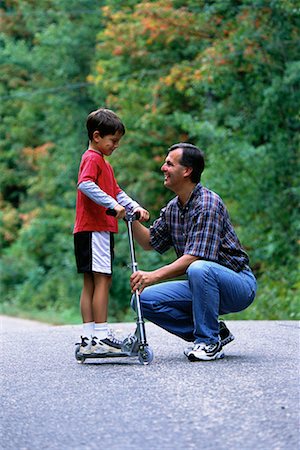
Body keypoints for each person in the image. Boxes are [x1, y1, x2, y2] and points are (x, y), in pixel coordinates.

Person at [130, 142, 257, 361]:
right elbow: (149, 242)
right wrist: (130, 218)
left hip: (237, 284)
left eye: (169, 164)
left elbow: (196, 257)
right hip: (200, 284)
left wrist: (153, 275)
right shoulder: (173, 208)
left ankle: (208, 342)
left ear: (187, 171)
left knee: (198, 268)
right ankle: (215, 332)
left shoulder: (208, 204)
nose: (163, 168)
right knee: (141, 301)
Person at [73, 108, 149, 355]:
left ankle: (89, 336)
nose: (116, 145)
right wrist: (112, 205)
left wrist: (134, 206)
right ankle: (101, 336)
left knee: (92, 281)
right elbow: (85, 184)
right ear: (97, 136)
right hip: (95, 229)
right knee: (101, 279)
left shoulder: (104, 165)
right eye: (112, 141)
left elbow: (116, 192)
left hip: (91, 230)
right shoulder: (92, 159)